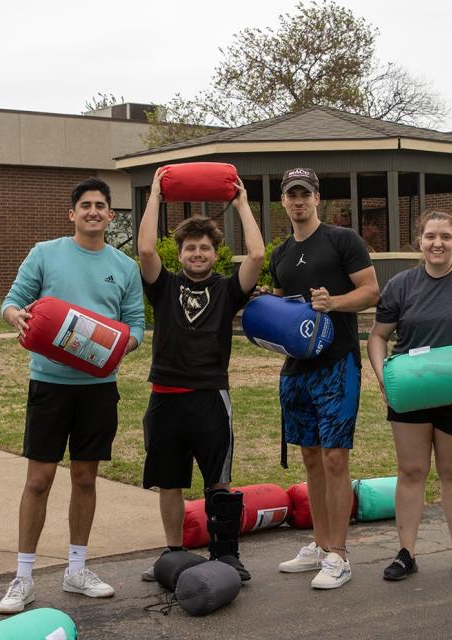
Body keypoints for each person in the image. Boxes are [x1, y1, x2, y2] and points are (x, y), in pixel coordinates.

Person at [0, 177, 145, 613]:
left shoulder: (125, 267)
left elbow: (136, 323)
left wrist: (117, 346)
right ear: (72, 213)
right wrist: (16, 318)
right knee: (39, 480)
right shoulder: (45, 253)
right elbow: (12, 302)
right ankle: (22, 577)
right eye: (85, 205)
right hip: (49, 383)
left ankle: (76, 569)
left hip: (98, 388)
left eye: (101, 205)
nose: (93, 211)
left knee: (85, 477)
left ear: (110, 215)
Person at [366, 210, 452, 581]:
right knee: (411, 471)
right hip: (410, 391)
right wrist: (383, 376)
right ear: (419, 241)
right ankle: (405, 552)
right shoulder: (400, 285)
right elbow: (378, 336)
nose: (438, 243)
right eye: (430, 236)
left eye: (445, 236)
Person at [137, 167, 264, 582]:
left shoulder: (229, 290)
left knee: (219, 482)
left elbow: (258, 256)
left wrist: (243, 205)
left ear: (216, 253)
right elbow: (145, 251)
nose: (197, 253)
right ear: (180, 252)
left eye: (205, 248)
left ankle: (226, 554)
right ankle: (173, 554)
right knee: (169, 483)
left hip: (210, 397)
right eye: (190, 247)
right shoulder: (164, 286)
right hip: (166, 397)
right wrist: (155, 195)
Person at [271, 168, 380, 589]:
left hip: (337, 364)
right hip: (298, 369)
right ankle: (319, 544)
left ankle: (340, 554)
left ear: (317, 198)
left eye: (305, 194)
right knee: (311, 457)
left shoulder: (342, 240)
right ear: (283, 201)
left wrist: (333, 303)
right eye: (291, 194)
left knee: (336, 457)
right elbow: (283, 313)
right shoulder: (281, 254)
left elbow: (371, 291)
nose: (298, 201)